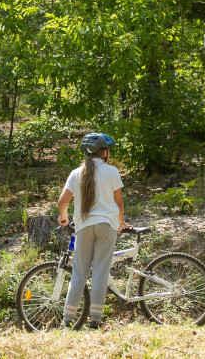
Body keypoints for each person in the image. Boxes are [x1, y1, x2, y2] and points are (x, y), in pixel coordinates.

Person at [57, 133, 126, 329]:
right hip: (106, 226)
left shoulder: (76, 173)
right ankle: (95, 320)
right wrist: (120, 223)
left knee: (79, 273)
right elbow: (119, 204)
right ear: (104, 152)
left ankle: (67, 320)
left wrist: (63, 217)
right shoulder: (111, 171)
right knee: (100, 272)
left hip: (84, 227)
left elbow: (62, 202)